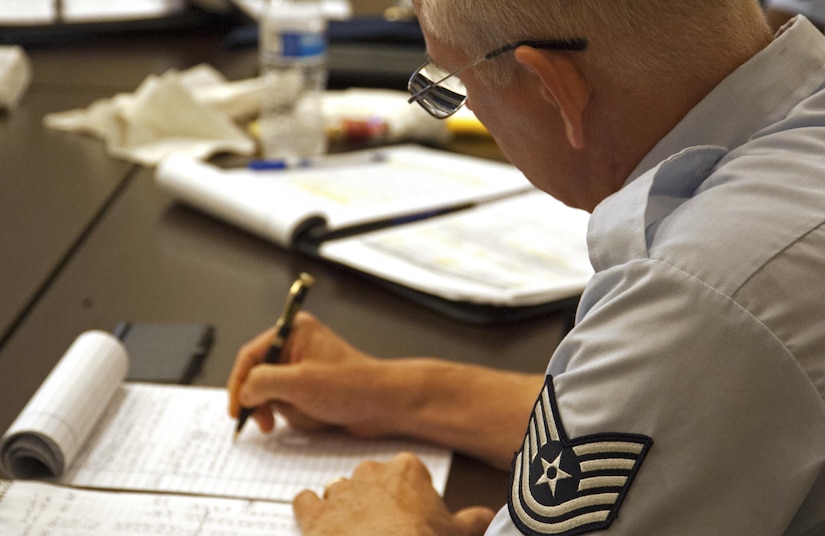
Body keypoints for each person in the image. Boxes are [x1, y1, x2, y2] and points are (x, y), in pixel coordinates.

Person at [228, 1, 825, 534]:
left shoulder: (703, 291)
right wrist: (397, 395)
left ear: (551, 88)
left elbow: (691, 356)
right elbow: (678, 421)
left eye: (451, 84)